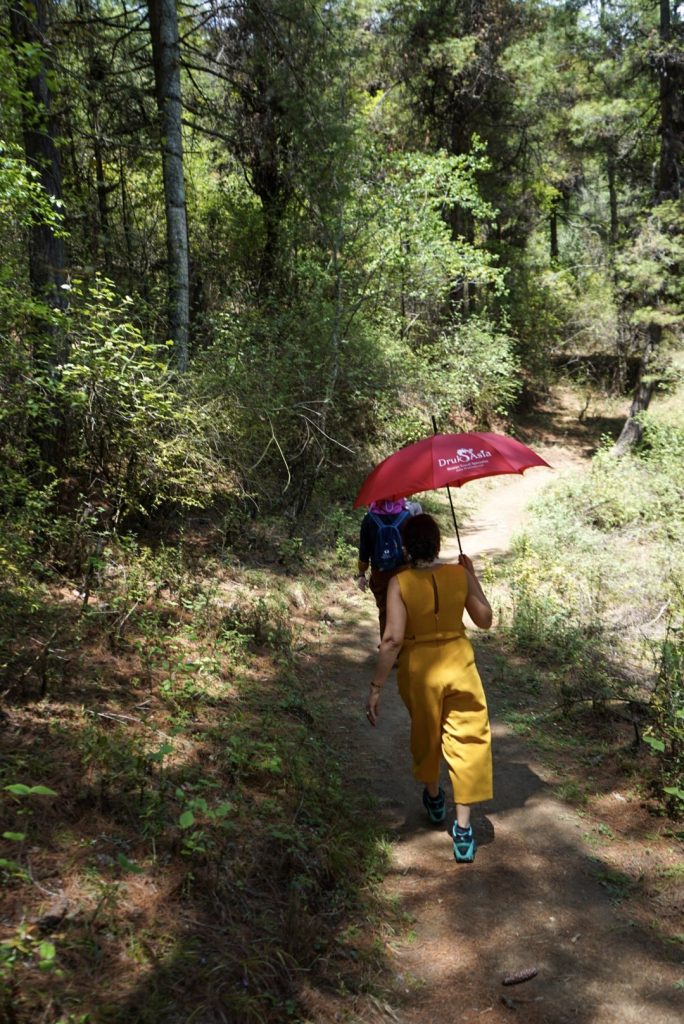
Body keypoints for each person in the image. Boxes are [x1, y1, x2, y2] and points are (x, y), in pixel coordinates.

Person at [365, 513, 493, 863]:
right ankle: (463, 830)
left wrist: (376, 686)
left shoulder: (399, 582)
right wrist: (472, 578)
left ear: (406, 546)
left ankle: (435, 796)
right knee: (467, 739)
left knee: (427, 730)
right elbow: (485, 619)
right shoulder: (458, 574)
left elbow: (391, 639)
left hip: (419, 670)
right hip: (461, 665)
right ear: (437, 545)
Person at [355, 497, 422, 636]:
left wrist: (361, 574)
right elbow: (414, 547)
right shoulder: (407, 516)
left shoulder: (369, 519)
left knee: (385, 611)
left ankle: (388, 647)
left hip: (380, 574)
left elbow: (364, 552)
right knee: (406, 607)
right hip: (403, 572)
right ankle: (405, 647)